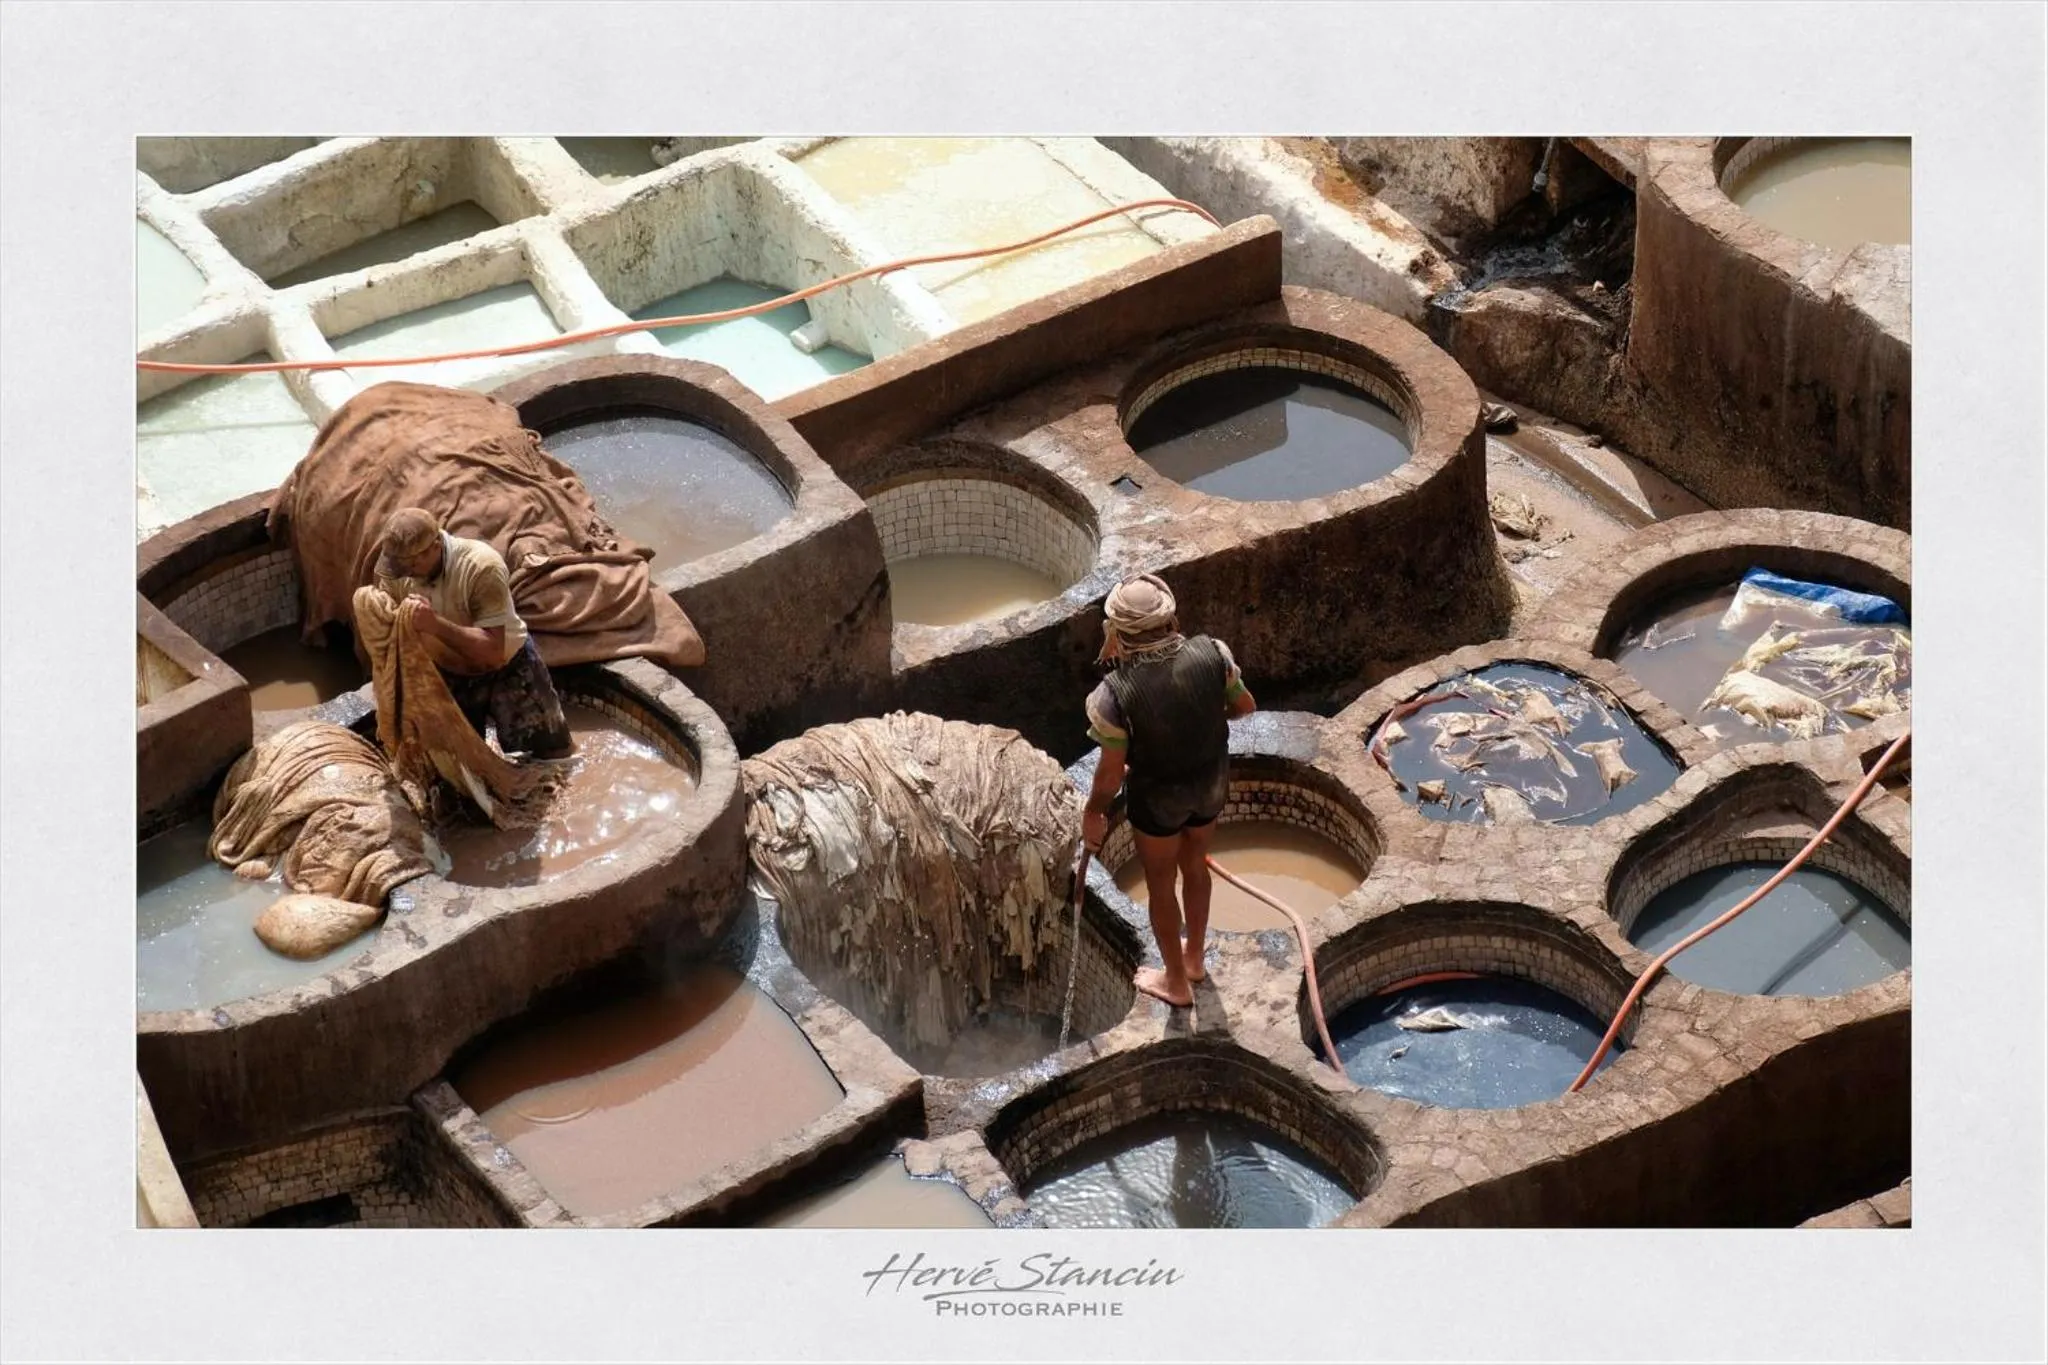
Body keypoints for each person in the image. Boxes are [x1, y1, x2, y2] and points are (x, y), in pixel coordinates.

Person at [1079, 573, 1256, 1008]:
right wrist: (1200, 724)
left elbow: (1110, 774)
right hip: (1210, 783)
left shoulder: (1112, 697)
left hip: (1159, 799)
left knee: (1161, 885)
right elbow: (1244, 707)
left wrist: (1093, 812)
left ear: (1118, 633)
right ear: (1170, 617)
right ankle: (1194, 959)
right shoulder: (1214, 653)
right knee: (1196, 867)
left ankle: (1176, 983)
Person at [365, 507, 573, 761]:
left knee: (554, 755)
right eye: (399, 565)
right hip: (449, 674)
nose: (406, 572)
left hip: (507, 667)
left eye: (413, 563)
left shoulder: (480, 566)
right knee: (461, 765)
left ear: (436, 545)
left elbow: (492, 652)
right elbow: (385, 627)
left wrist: (435, 624)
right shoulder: (399, 571)